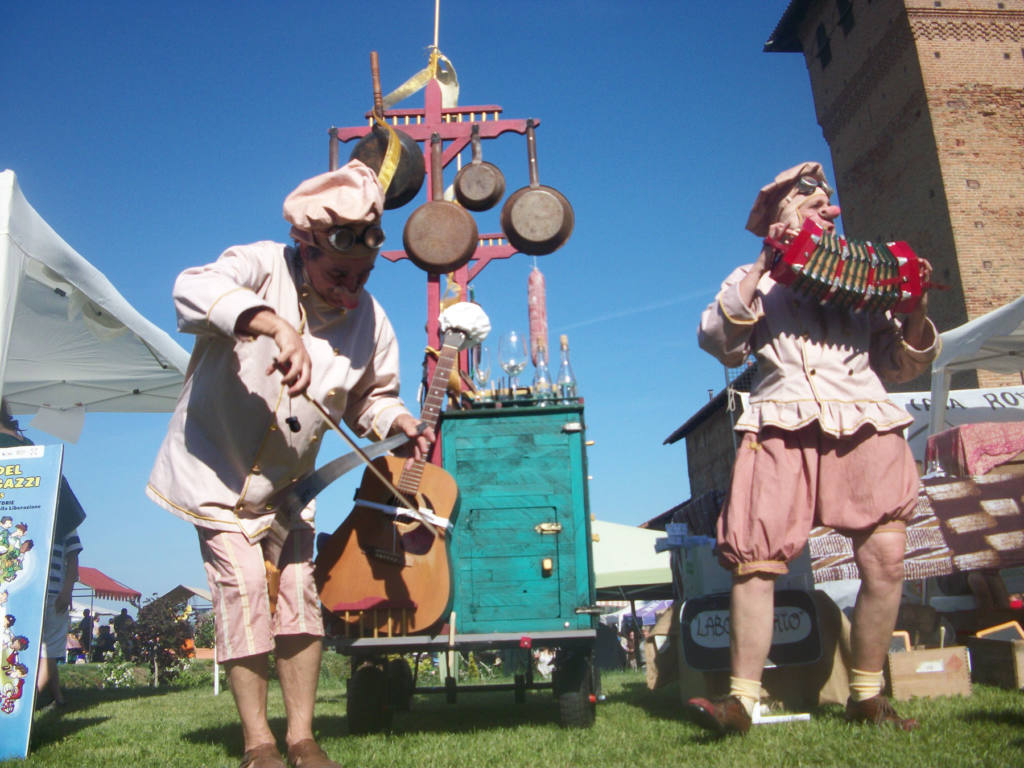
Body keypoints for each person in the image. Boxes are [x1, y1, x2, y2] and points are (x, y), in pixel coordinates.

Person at [146, 159, 434, 768]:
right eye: (339, 274)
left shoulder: (372, 320)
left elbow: (374, 398)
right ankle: (258, 743)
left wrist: (398, 423)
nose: (351, 289)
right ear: (306, 247)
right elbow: (189, 289)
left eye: (362, 275)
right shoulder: (258, 264)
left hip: (287, 489)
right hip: (214, 475)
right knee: (246, 588)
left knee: (301, 595)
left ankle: (302, 737)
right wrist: (272, 324)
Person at [688, 162, 939, 735]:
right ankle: (741, 704)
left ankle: (867, 695)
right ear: (785, 212)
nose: (832, 211)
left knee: (887, 558)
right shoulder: (753, 279)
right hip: (783, 421)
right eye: (817, 205)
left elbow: (900, 364)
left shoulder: (863, 281)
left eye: (831, 204)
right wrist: (763, 266)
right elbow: (719, 341)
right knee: (755, 559)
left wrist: (914, 304)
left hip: (864, 418)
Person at [0, 400, 86, 708]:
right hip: (40, 586)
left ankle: (28, 701)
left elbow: (74, 557)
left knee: (41, 646)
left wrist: (66, 589)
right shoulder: (29, 452)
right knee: (41, 647)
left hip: (45, 590)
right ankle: (45, 698)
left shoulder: (59, 528)